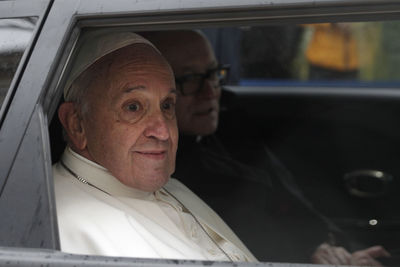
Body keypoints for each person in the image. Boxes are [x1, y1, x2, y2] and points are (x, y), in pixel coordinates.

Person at [143, 30, 391, 266]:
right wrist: (314, 254)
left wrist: (324, 244)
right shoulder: (161, 171)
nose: (210, 91)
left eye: (212, 73)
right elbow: (243, 238)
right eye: (190, 79)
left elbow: (287, 195)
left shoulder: (231, 123)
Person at [52, 29, 256, 262]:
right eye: (133, 107)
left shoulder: (172, 187)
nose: (163, 132)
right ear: (76, 124)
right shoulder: (64, 227)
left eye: (167, 105)